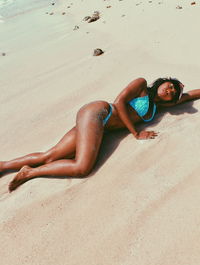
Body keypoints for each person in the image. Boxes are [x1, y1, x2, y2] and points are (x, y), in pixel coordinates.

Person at [1, 77, 199, 192]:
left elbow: (192, 94)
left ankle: (4, 165)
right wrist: (135, 133)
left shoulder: (158, 107)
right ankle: (29, 173)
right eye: (169, 84)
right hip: (99, 112)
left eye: (173, 91)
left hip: (99, 127)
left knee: (50, 155)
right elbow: (120, 101)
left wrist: (181, 94)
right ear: (161, 82)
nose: (170, 90)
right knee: (82, 167)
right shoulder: (141, 85)